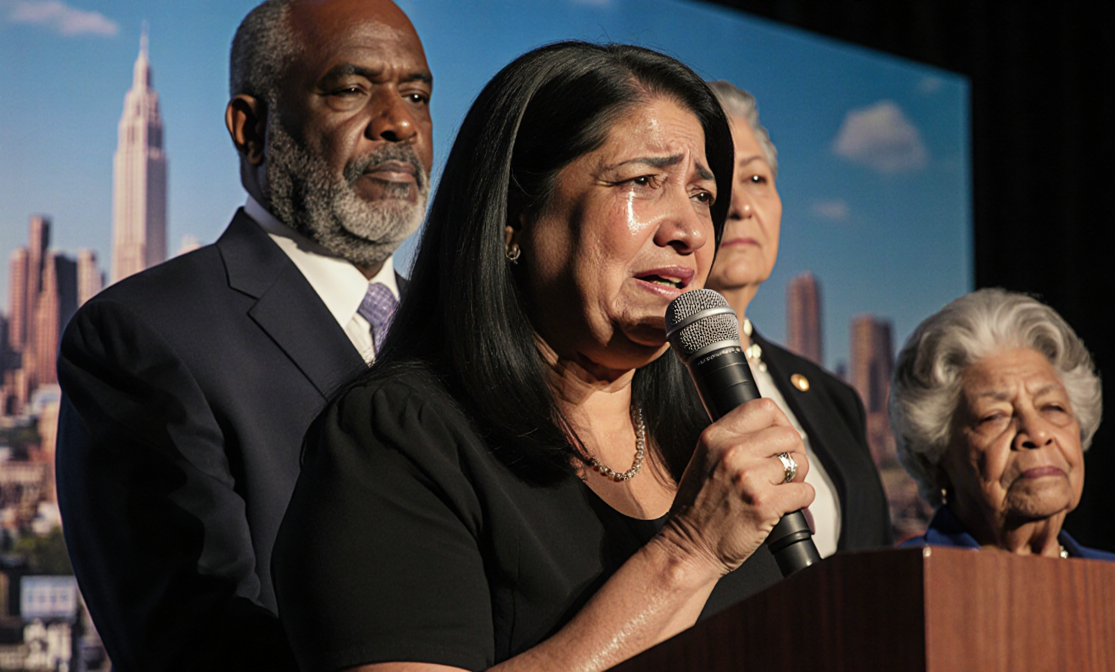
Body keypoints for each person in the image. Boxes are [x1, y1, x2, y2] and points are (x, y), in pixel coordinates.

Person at [273, 42, 815, 672]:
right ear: (513, 218)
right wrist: (688, 554)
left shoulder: (702, 444)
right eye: (643, 180)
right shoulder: (399, 438)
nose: (690, 230)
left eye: (700, 195)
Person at [54, 0, 433, 668]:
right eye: (350, 88)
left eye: (417, 94)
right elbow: (204, 650)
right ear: (251, 128)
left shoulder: (462, 331)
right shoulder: (140, 337)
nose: (399, 121)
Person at [703, 81, 892, 555]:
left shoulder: (835, 399)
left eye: (755, 179)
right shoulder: (621, 387)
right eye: (713, 181)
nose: (741, 206)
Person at [890, 289, 1115, 562]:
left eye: (1052, 408)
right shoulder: (898, 583)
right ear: (935, 461)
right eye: (995, 416)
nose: (1037, 433)